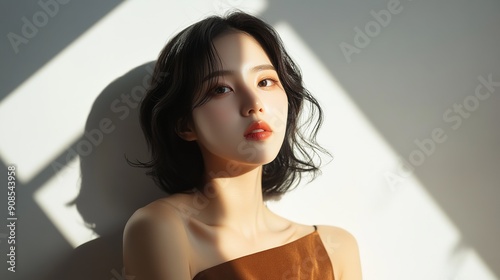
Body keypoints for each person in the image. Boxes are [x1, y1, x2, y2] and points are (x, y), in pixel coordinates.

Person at [123, 11, 362, 280]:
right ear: (185, 125)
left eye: (265, 81)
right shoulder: (161, 229)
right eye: (221, 89)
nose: (254, 103)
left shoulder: (335, 248)